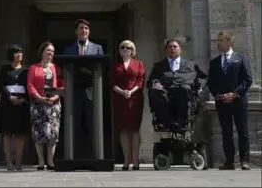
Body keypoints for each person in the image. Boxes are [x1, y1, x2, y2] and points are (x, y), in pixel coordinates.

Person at [208, 31, 252, 170]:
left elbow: (247, 79)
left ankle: (244, 160)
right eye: (217, 40)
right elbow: (211, 82)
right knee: (226, 132)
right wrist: (218, 95)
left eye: (220, 40)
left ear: (229, 42)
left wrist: (235, 94)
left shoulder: (241, 58)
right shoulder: (214, 62)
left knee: (242, 130)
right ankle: (229, 161)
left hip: (238, 101)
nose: (218, 43)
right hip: (222, 102)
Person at [63, 19, 103, 158]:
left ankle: (94, 156)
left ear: (89, 31)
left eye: (86, 28)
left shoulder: (97, 48)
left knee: (93, 124)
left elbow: (102, 68)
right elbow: (66, 68)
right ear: (76, 31)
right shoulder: (68, 49)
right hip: (74, 90)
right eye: (81, 28)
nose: (83, 30)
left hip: (92, 90)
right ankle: (74, 155)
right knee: (75, 124)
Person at [146, 39, 207, 130]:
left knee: (184, 88)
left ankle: (181, 122)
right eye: (170, 47)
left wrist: (199, 87)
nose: (172, 49)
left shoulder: (190, 65)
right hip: (165, 94)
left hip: (183, 94)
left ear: (180, 49)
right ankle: (164, 122)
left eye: (175, 46)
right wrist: (156, 83)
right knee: (155, 91)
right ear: (166, 50)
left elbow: (205, 78)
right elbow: (150, 82)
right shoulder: (159, 66)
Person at [111, 40, 145, 170]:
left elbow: (141, 80)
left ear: (132, 50)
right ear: (120, 51)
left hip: (135, 99)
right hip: (120, 100)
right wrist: (122, 92)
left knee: (135, 129)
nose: (125, 50)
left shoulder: (139, 64)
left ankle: (135, 161)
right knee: (124, 129)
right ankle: (126, 161)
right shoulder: (116, 66)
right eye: (123, 48)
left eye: (128, 48)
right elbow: (112, 83)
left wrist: (131, 91)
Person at [27, 42, 61, 171]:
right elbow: (30, 85)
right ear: (41, 52)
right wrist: (38, 97)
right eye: (48, 50)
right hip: (38, 103)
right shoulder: (33, 68)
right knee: (39, 133)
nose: (50, 53)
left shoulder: (56, 68)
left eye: (52, 51)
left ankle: (51, 161)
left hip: (53, 104)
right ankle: (41, 161)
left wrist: (55, 97)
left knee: (52, 133)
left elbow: (62, 84)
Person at [0, 45, 30, 171]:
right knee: (7, 133)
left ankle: (18, 161)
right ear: (11, 55)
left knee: (20, 134)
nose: (19, 55)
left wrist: (24, 98)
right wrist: (9, 97)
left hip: (22, 104)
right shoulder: (4, 69)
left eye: (21, 53)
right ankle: (9, 162)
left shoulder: (26, 70)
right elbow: (1, 85)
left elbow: (29, 86)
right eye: (17, 53)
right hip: (8, 104)